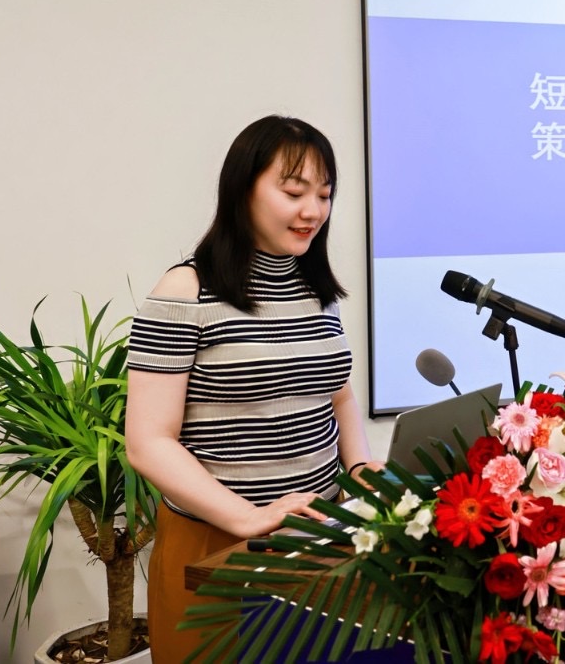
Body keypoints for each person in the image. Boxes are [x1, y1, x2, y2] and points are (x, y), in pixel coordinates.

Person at [125, 115, 382, 664]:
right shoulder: (184, 291)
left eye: (324, 195)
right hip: (215, 546)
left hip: (318, 538)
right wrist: (246, 517)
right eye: (294, 192)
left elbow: (335, 394)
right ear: (243, 190)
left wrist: (359, 467)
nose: (313, 211)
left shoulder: (315, 290)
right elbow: (148, 442)